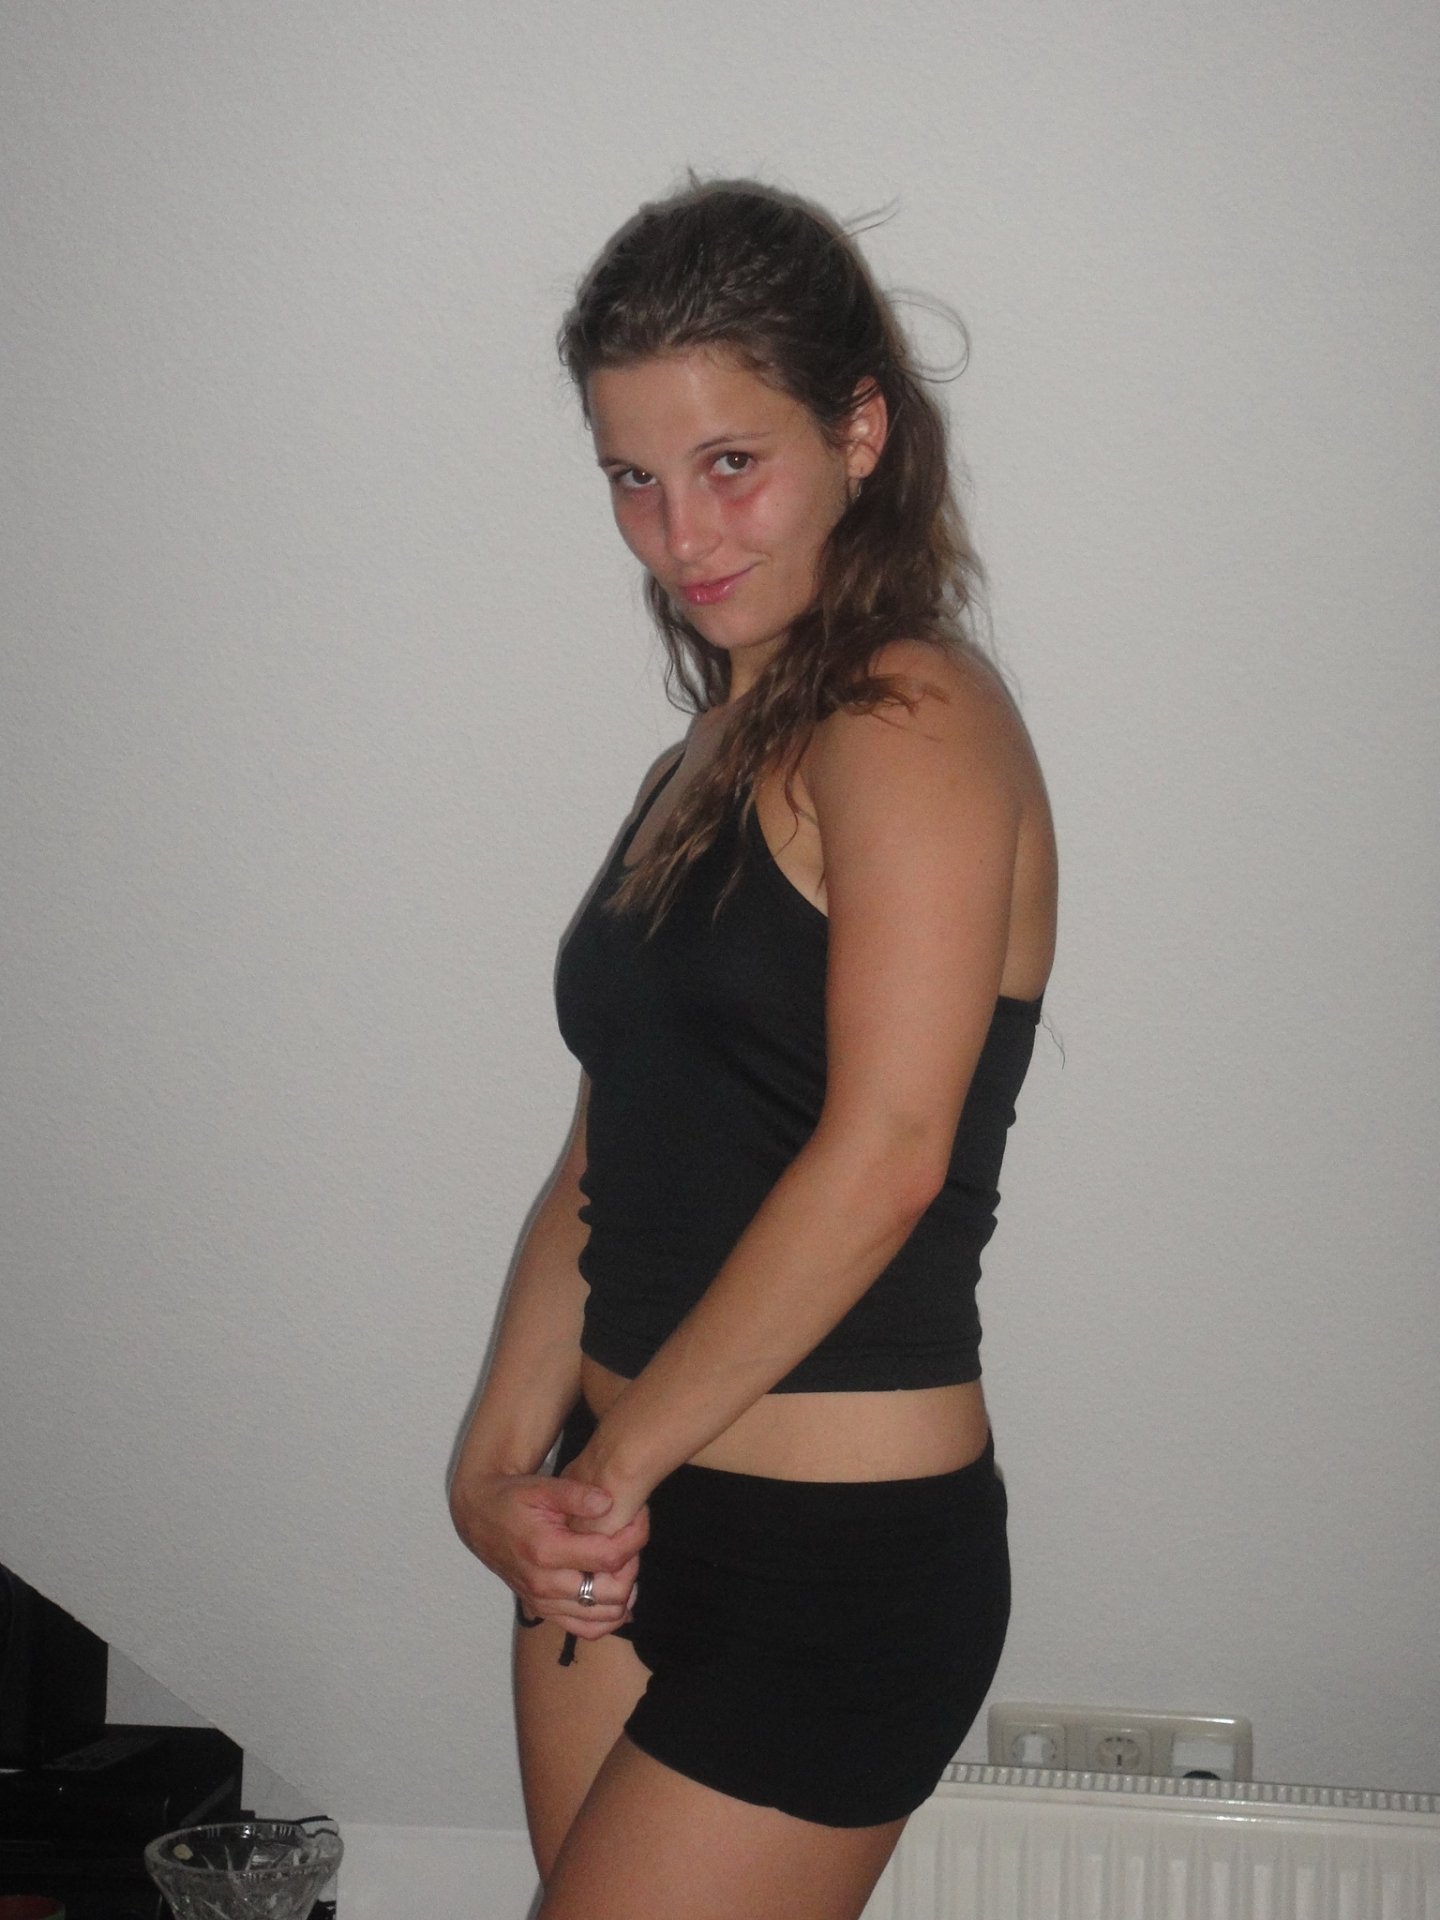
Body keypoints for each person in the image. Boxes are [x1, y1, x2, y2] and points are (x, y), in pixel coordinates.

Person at [448, 178, 1057, 1920]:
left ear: (859, 430)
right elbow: (607, 1154)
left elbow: (887, 1158)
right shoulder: (707, 755)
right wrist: (497, 1469)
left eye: (730, 462)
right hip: (622, 1530)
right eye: (632, 477)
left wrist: (609, 1469)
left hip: (828, 1570)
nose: (678, 532)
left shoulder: (912, 716)